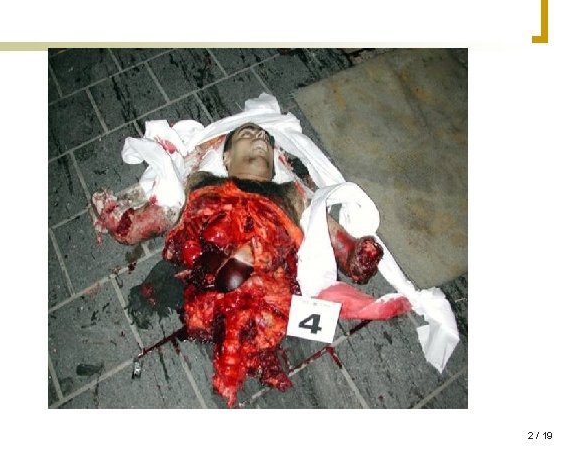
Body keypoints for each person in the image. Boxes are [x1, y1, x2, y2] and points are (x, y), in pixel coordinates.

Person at [93, 122, 384, 406]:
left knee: (253, 298)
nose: (259, 139)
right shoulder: (201, 181)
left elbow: (326, 231)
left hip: (263, 272)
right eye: (247, 134)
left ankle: (239, 309)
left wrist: (353, 254)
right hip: (212, 263)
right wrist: (126, 222)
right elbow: (163, 210)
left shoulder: (291, 194)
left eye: (266, 140)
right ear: (227, 157)